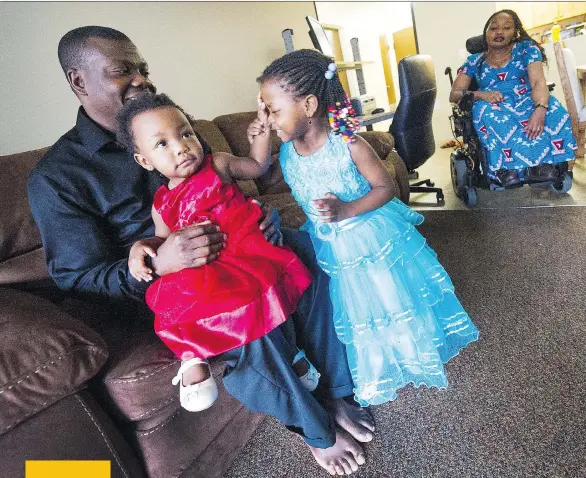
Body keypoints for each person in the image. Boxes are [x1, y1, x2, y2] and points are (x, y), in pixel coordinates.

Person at [27, 26, 374, 476]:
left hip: (239, 249)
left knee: (309, 255)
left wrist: (259, 212)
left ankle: (336, 392)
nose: (140, 80)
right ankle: (314, 428)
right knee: (250, 325)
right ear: (79, 82)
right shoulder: (57, 176)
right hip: (176, 288)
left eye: (143, 68)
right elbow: (76, 276)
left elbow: (228, 184)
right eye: (122, 71)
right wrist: (158, 262)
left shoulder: (175, 124)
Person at [255, 49, 479, 407]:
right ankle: (376, 366)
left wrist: (345, 210)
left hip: (368, 234)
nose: (268, 118)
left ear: (309, 105)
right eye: (264, 110)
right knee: (355, 309)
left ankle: (411, 354)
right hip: (328, 241)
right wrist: (263, 131)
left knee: (389, 298)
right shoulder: (285, 152)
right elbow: (258, 172)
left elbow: (385, 188)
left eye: (273, 110)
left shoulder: (349, 144)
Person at [119, 92, 315, 412]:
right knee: (170, 294)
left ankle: (291, 353)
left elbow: (256, 166)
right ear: (144, 160)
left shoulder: (219, 164)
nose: (181, 146)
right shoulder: (160, 204)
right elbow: (163, 241)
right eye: (162, 144)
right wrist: (139, 249)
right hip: (204, 264)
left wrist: (262, 133)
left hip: (243, 250)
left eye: (185, 133)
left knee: (262, 288)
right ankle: (192, 358)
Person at [449, 9, 576, 187]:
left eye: (506, 28)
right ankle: (504, 170)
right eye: (493, 28)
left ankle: (540, 166)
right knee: (490, 114)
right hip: (493, 102)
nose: (499, 32)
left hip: (526, 97)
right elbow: (454, 95)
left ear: (515, 33)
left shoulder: (526, 50)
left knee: (555, 111)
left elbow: (539, 82)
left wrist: (540, 109)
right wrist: (480, 94)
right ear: (485, 33)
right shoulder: (474, 61)